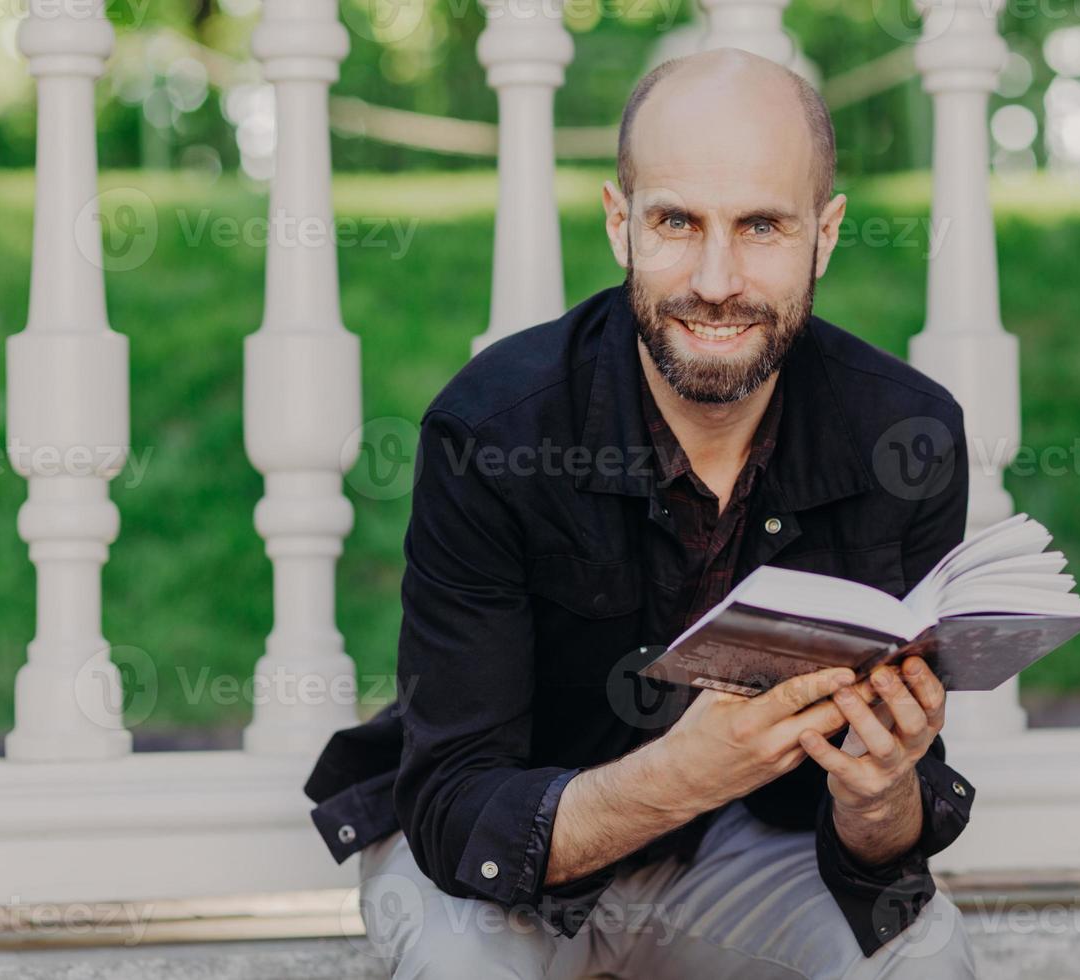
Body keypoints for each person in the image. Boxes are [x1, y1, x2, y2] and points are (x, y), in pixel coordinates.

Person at [305, 47, 979, 979]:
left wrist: (879, 800)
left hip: (735, 850)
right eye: (676, 221)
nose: (715, 278)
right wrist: (683, 772)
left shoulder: (906, 436)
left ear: (823, 236)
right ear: (621, 224)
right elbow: (455, 812)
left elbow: (887, 844)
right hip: (509, 858)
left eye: (761, 227)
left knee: (926, 951)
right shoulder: (489, 431)